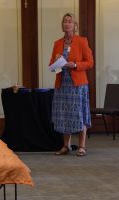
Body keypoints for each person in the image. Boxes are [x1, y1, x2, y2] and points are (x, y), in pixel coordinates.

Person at [49, 13, 94, 156]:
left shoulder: (82, 41)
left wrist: (74, 64)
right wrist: (57, 63)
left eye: (70, 22)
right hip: (62, 84)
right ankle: (66, 146)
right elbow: (52, 67)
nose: (67, 24)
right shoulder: (57, 43)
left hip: (77, 85)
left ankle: (82, 146)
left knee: (79, 113)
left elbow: (90, 62)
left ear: (75, 26)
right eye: (64, 22)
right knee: (64, 114)